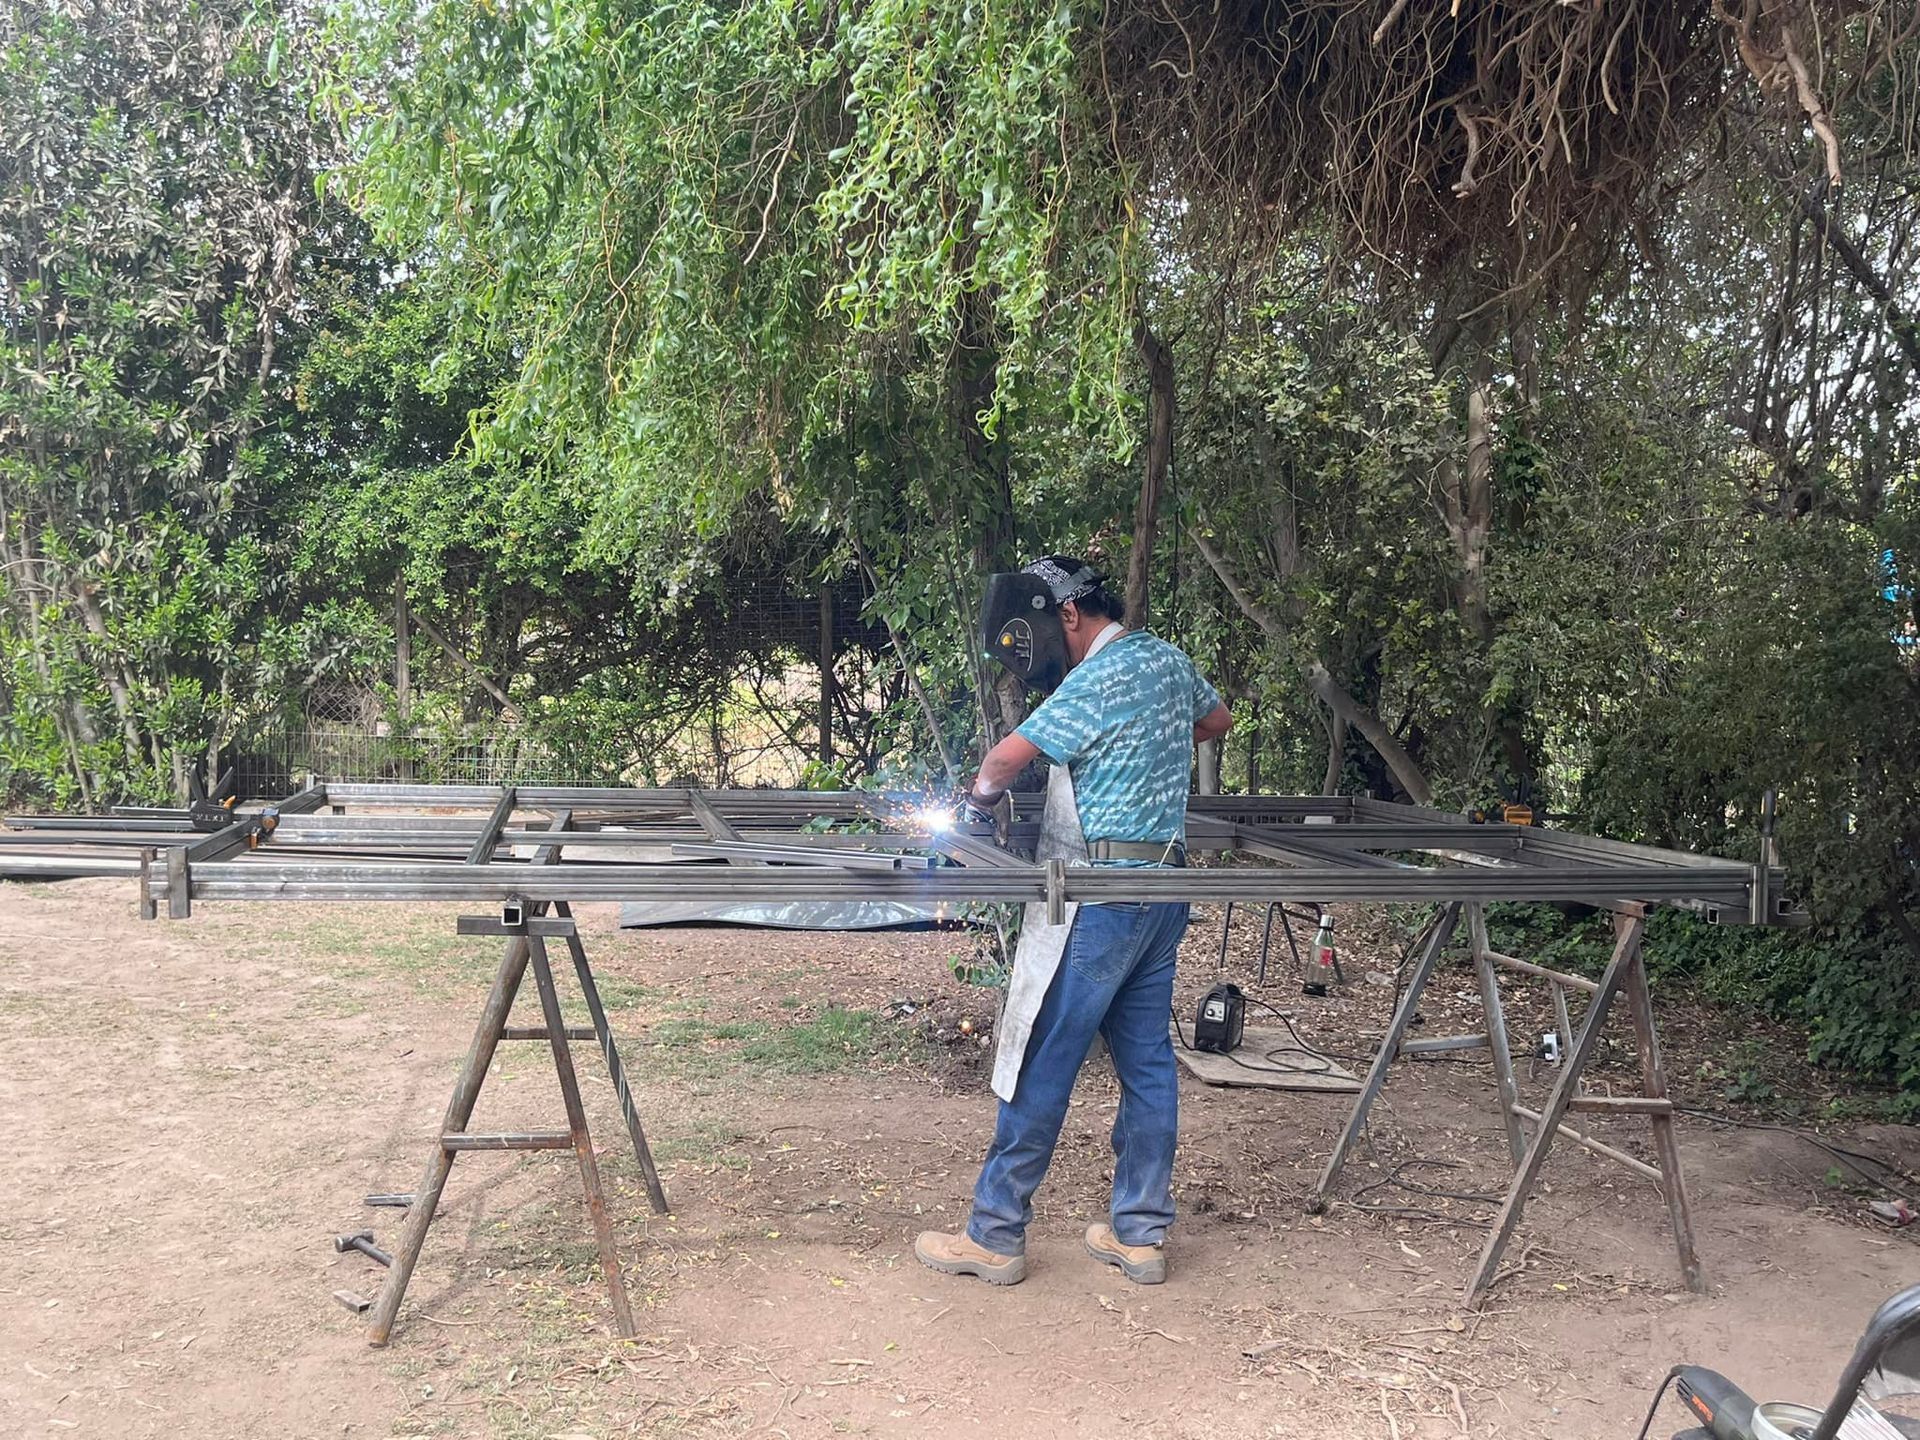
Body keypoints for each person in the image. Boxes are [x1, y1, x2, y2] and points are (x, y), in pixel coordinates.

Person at [915, 556, 1233, 1286]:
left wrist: (976, 807)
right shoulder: (1167, 659)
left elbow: (1004, 759)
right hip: (1163, 893)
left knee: (1042, 1057)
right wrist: (1148, 751)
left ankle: (994, 1236)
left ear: (1067, 615)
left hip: (1103, 897)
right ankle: (1142, 1235)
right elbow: (1216, 719)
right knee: (1147, 1062)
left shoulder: (1097, 677)